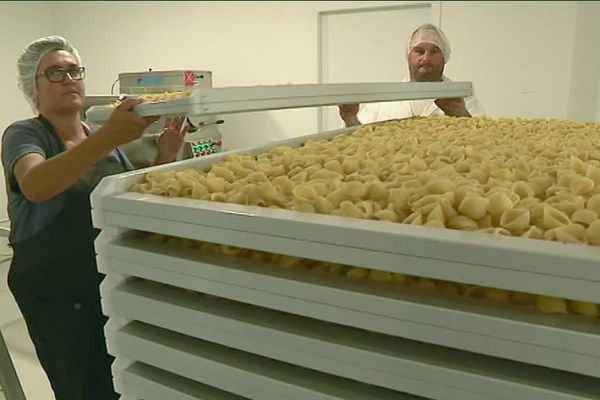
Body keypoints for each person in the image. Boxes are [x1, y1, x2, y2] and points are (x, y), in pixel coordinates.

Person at [1, 36, 187, 400]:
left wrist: (166, 157)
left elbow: (131, 201)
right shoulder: (25, 134)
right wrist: (109, 137)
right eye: (54, 72)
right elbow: (37, 184)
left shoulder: (101, 137)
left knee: (121, 379)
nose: (69, 78)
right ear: (32, 86)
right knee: (81, 387)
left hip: (106, 280)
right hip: (55, 290)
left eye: (74, 70)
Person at [339, 23, 485, 127]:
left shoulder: (463, 99)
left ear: (444, 57)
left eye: (434, 52)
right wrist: (350, 118)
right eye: (419, 51)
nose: (426, 59)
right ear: (408, 56)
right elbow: (362, 141)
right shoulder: (384, 100)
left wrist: (461, 115)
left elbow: (484, 143)